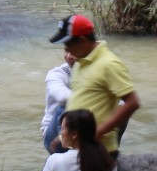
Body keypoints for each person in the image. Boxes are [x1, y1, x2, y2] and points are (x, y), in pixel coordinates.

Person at [49, 14, 139, 156]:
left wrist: (99, 132)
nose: (68, 53)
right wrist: (61, 137)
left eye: (68, 46)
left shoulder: (109, 64)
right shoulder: (80, 62)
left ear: (82, 41)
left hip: (97, 149)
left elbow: (132, 103)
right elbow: (80, 101)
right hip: (77, 146)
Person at [41, 53, 74, 154]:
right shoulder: (57, 73)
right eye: (67, 50)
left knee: (120, 107)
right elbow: (62, 96)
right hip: (53, 134)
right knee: (65, 108)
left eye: (73, 51)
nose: (69, 56)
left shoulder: (96, 70)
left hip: (83, 127)